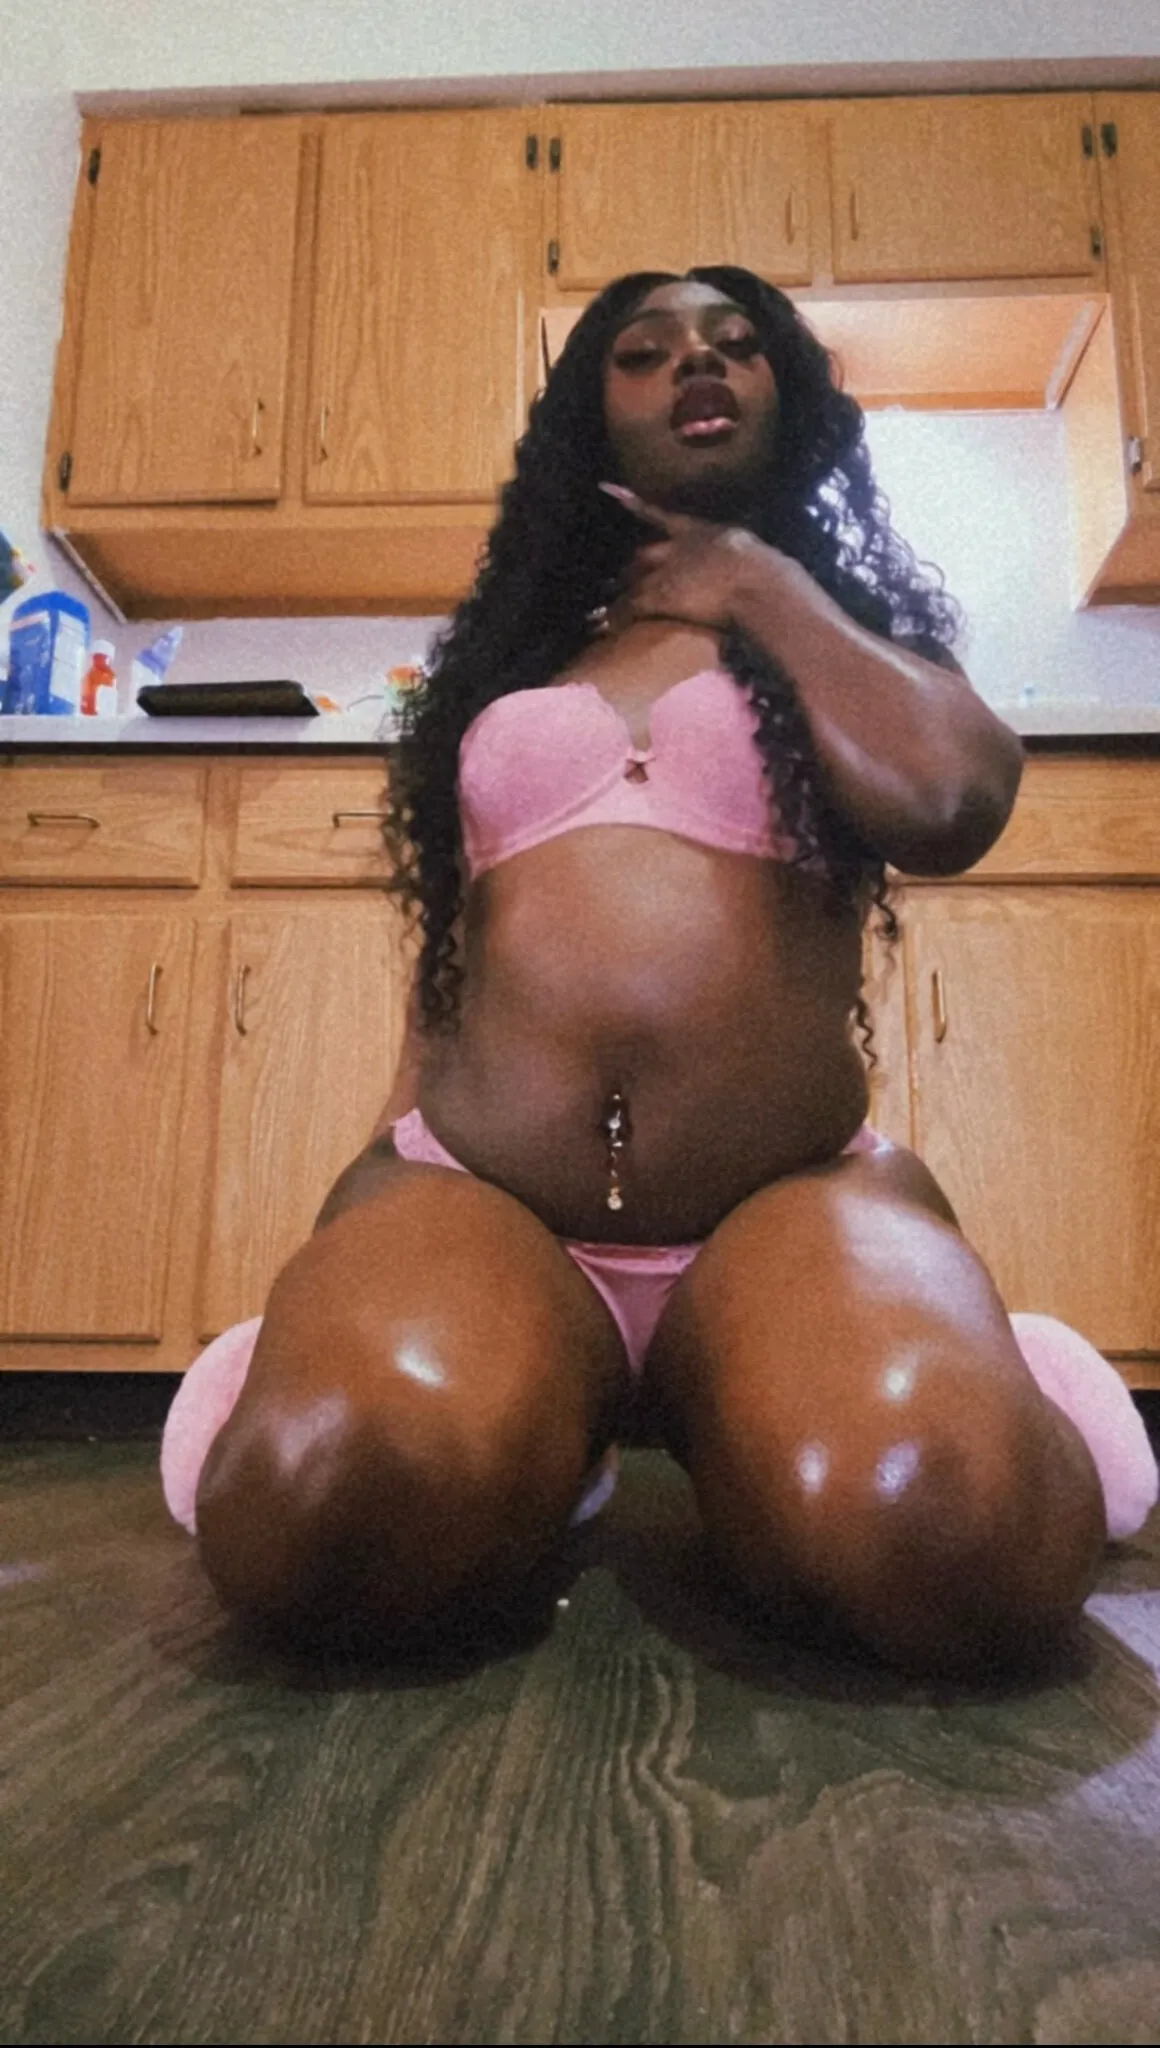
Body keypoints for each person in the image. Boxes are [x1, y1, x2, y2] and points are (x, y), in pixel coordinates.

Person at [164, 266, 1157, 1679]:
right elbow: (455, 958)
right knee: (319, 1506)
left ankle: (955, 1381)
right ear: (589, 411)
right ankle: (491, 1412)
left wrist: (757, 582)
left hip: (783, 1205)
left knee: (947, 1521)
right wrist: (362, 1219)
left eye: (737, 344)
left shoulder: (841, 644)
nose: (697, 362)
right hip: (487, 1200)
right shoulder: (515, 658)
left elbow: (952, 801)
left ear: (789, 398)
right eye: (645, 350)